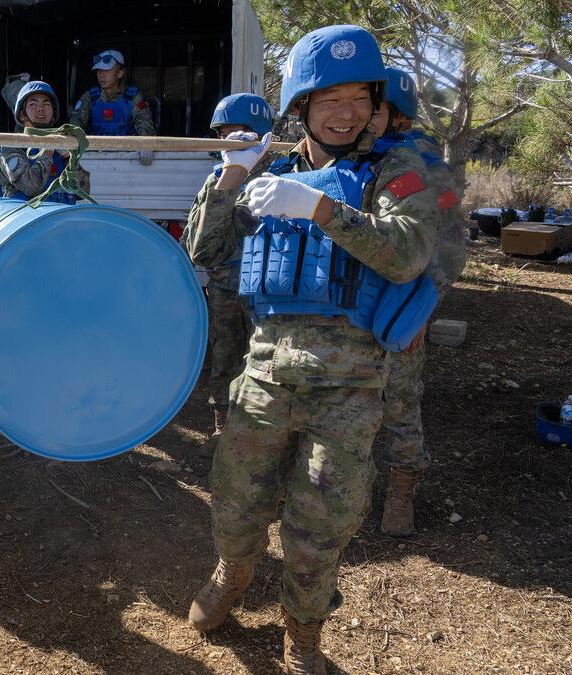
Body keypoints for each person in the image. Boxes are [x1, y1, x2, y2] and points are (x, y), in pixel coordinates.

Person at [181, 25, 439, 674]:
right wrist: (230, 179)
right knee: (235, 502)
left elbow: (408, 254)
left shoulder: (396, 169)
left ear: (376, 104)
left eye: (359, 98)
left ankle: (303, 637)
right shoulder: (274, 172)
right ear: (301, 107)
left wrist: (322, 209)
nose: (347, 113)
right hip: (266, 375)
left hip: (349, 386)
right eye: (329, 100)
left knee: (319, 525)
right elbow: (204, 257)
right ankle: (232, 572)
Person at [367, 67, 467, 537]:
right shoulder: (357, 156)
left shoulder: (421, 161)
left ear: (396, 115)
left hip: (402, 303)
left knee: (400, 400)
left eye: (373, 107)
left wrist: (426, 306)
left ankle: (401, 488)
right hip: (357, 302)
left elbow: (449, 245)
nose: (362, 115)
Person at [182, 93, 275, 458]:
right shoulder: (216, 179)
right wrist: (228, 181)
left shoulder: (285, 176)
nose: (227, 141)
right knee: (224, 359)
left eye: (237, 133)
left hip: (268, 295)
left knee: (267, 368)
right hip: (225, 287)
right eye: (223, 134)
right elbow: (200, 248)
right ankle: (222, 427)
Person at [0, 80, 91, 204]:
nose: (40, 109)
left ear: (53, 113)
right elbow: (30, 186)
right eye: (33, 104)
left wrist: (69, 158)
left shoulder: (61, 146)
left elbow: (83, 191)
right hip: (26, 219)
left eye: (46, 104)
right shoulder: (12, 146)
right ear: (21, 114)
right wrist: (48, 151)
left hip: (60, 218)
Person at [69, 49, 157, 164]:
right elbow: (75, 123)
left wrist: (146, 143)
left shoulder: (133, 96)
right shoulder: (90, 96)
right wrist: (71, 142)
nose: (101, 74)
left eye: (107, 70)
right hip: (96, 158)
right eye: (98, 70)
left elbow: (144, 121)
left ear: (120, 73)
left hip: (127, 158)